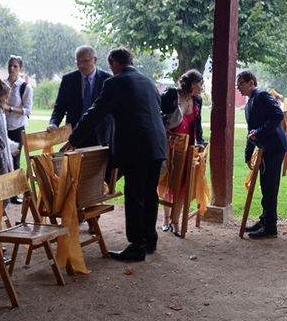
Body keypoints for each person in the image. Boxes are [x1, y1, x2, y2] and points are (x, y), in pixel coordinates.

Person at [67, 48, 167, 261]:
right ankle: (150, 239)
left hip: (136, 147)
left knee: (134, 196)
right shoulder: (148, 81)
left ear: (114, 63)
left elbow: (95, 112)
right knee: (150, 194)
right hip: (157, 145)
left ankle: (136, 246)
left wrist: (73, 140)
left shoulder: (115, 82)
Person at [238, 70, 287, 239]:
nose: (238, 87)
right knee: (265, 185)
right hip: (265, 148)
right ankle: (264, 220)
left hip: (274, 147)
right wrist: (248, 154)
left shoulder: (261, 95)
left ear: (251, 82)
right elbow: (250, 131)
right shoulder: (249, 103)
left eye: (241, 83)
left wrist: (259, 132)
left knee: (270, 186)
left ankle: (270, 226)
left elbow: (277, 114)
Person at [159, 69, 206, 236]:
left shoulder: (197, 100)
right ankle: (165, 218)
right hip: (168, 147)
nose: (202, 87)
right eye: (200, 84)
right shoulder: (172, 95)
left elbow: (197, 126)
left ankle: (175, 221)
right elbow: (160, 119)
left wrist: (200, 142)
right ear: (192, 84)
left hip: (188, 148)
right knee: (166, 182)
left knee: (182, 185)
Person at [48, 45, 114, 150]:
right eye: (78, 62)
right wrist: (54, 123)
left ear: (95, 60)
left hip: (101, 135)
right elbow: (60, 107)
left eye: (85, 61)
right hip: (75, 135)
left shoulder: (108, 79)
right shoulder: (68, 80)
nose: (81, 65)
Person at [3, 55, 32, 204]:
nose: (12, 68)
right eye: (10, 65)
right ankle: (1, 193)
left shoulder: (25, 87)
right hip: (2, 126)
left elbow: (27, 110)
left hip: (16, 127)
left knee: (14, 160)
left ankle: (14, 195)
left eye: (15, 66)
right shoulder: (2, 84)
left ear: (20, 68)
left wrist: (9, 109)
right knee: (1, 160)